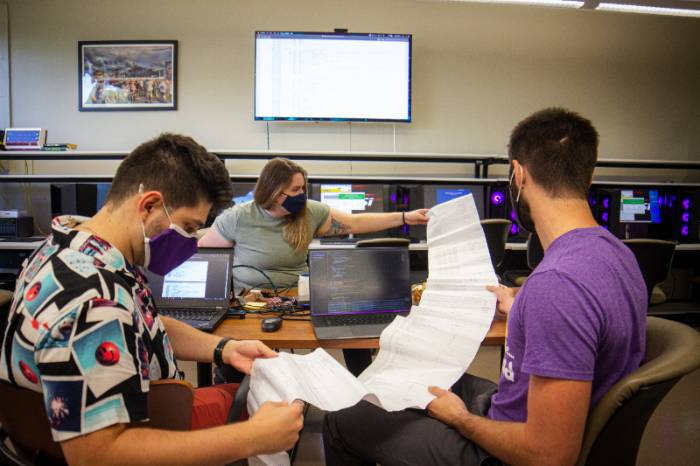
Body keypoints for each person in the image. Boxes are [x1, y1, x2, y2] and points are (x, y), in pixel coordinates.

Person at [323, 107, 647, 466]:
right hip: (522, 408)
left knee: (340, 420)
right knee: (411, 377)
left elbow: (549, 456)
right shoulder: (615, 255)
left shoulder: (555, 287)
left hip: (506, 453)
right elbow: (585, 312)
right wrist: (521, 301)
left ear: (519, 175)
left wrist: (461, 420)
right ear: (588, 173)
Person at [0, 134, 303, 466]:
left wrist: (224, 348)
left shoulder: (72, 247)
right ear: (149, 205)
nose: (191, 243)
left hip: (136, 406)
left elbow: (144, 324)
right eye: (189, 226)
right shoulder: (91, 299)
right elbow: (97, 456)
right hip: (140, 430)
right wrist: (253, 437)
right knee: (275, 408)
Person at [198, 157, 430, 375]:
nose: (301, 195)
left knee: (348, 319)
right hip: (251, 304)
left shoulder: (309, 212)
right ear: (276, 193)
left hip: (297, 298)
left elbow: (356, 223)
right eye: (295, 190)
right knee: (237, 360)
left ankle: (364, 385)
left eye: (303, 189)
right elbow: (206, 254)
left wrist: (404, 217)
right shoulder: (237, 217)